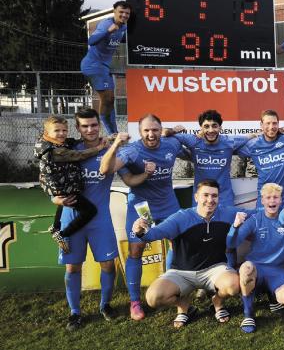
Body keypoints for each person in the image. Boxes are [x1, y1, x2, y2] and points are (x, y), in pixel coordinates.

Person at [100, 114, 185, 320]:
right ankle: (135, 301)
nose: (151, 134)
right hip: (142, 206)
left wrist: (173, 131)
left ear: (160, 130)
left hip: (168, 203)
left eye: (155, 130)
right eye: (146, 130)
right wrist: (116, 144)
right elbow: (105, 169)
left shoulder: (171, 144)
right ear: (140, 132)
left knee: (177, 244)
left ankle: (169, 287)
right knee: (136, 250)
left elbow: (192, 148)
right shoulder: (132, 150)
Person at [131, 180, 249, 327]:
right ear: (196, 197)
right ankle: (184, 305)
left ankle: (217, 302)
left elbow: (258, 214)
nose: (210, 200)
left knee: (234, 286)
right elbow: (154, 234)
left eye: (214, 196)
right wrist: (140, 231)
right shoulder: (181, 217)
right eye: (205, 195)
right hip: (181, 272)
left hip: (215, 268)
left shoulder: (227, 213)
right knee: (153, 298)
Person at [51, 109, 119, 331]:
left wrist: (146, 173)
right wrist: (54, 198)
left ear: (99, 125)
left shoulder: (110, 150)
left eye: (93, 125)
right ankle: (75, 313)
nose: (90, 130)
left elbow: (128, 174)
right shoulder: (68, 151)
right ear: (78, 129)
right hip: (72, 218)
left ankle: (105, 305)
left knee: (108, 264)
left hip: (101, 219)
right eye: (85, 126)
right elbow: (49, 178)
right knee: (72, 267)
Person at [227, 183, 284, 333]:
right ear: (262, 201)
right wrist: (235, 226)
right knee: (246, 269)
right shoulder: (255, 219)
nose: (272, 201)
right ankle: (248, 314)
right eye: (268, 197)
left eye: (275, 197)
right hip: (256, 267)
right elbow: (231, 243)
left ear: (281, 200)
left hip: (277, 270)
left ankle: (272, 296)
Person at [34, 115, 106, 253]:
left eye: (64, 130)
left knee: (64, 203)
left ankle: (55, 226)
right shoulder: (55, 150)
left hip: (62, 185)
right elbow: (79, 155)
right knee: (90, 211)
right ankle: (62, 234)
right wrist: (99, 147)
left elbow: (72, 142)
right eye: (57, 131)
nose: (61, 134)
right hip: (61, 186)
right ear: (47, 132)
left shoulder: (53, 142)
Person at [163, 110, 254, 207]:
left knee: (227, 222)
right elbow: (163, 134)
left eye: (214, 126)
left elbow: (250, 136)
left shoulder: (229, 142)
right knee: (201, 222)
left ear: (220, 128)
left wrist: (257, 134)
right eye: (206, 126)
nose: (210, 130)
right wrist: (173, 130)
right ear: (201, 128)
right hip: (201, 198)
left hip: (224, 198)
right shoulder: (193, 141)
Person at [80, 1, 131, 135]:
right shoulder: (106, 24)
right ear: (114, 12)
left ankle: (114, 133)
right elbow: (91, 41)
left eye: (127, 13)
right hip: (93, 65)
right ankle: (111, 133)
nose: (124, 15)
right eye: (121, 12)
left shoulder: (123, 28)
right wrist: (108, 31)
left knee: (110, 100)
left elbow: (122, 39)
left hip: (104, 67)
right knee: (108, 99)